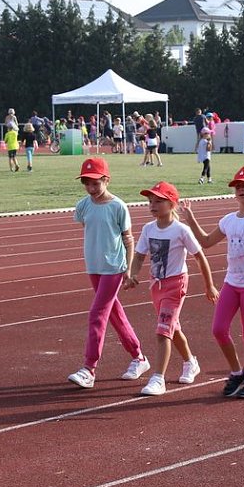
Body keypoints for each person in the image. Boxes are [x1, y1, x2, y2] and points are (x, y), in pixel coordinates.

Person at [180, 166, 244, 399]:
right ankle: (238, 372)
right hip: (232, 282)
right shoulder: (229, 220)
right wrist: (190, 219)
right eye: (237, 186)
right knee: (219, 329)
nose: (240, 189)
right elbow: (207, 241)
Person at [124, 181, 218, 395]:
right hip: (156, 285)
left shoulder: (181, 230)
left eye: (159, 201)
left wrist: (209, 285)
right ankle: (190, 362)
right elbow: (139, 255)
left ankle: (158, 378)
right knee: (172, 328)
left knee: (162, 331)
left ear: (172, 204)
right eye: (150, 201)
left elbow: (200, 257)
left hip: (176, 285)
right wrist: (133, 275)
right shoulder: (149, 229)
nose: (153, 205)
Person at [67, 157, 148, 389]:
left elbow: (128, 239)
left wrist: (129, 269)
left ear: (106, 180)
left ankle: (89, 368)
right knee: (114, 314)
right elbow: (91, 230)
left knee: (97, 314)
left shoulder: (118, 207)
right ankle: (138, 356)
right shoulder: (83, 205)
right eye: (86, 183)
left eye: (95, 183)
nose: (91, 188)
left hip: (113, 267)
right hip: (94, 266)